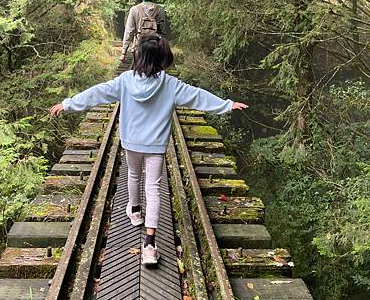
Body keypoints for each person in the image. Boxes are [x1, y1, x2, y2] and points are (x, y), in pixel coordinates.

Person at [50, 35, 248, 266]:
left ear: (138, 56)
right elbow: (196, 96)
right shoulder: (170, 85)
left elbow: (97, 93)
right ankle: (150, 245)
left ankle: (134, 211)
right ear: (163, 58)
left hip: (131, 142)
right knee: (153, 188)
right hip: (155, 145)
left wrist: (68, 104)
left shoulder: (124, 81)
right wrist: (226, 105)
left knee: (133, 175)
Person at [120, 0, 167, 64]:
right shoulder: (160, 10)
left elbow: (129, 31)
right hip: (155, 47)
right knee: (154, 72)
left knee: (138, 72)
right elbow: (162, 32)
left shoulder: (134, 10)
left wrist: (123, 52)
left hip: (139, 47)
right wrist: (164, 51)